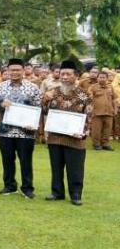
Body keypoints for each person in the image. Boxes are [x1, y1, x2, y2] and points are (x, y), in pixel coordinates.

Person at [42, 60, 93, 206]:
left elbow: (89, 116)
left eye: (68, 74)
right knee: (56, 167)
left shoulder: (84, 94)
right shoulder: (53, 92)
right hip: (55, 138)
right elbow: (45, 112)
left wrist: (83, 133)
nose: (64, 77)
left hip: (75, 138)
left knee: (75, 168)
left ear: (76, 76)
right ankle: (57, 192)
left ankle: (75, 194)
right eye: (62, 74)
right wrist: (45, 100)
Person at [0, 58, 42, 198]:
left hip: (25, 132)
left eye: (18, 70)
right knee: (7, 160)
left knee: (26, 161)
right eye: (12, 70)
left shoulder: (33, 88)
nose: (15, 72)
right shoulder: (0, 87)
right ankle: (9, 186)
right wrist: (1, 105)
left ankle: (27, 188)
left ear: (24, 71)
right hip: (5, 131)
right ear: (8, 71)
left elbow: (38, 108)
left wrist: (33, 125)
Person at [89, 71, 116, 150]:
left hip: (109, 112)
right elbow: (89, 98)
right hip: (97, 112)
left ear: (107, 78)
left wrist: (115, 109)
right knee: (96, 130)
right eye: (100, 77)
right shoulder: (93, 87)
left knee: (107, 129)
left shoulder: (110, 87)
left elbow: (114, 99)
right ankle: (96, 144)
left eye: (104, 77)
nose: (102, 79)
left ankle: (105, 144)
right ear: (97, 78)